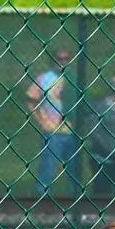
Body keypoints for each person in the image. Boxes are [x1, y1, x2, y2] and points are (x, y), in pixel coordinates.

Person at [25, 48, 79, 195]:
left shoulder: (74, 78)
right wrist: (39, 121)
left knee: (74, 167)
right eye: (59, 59)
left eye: (66, 59)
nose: (62, 62)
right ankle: (41, 195)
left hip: (71, 130)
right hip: (50, 129)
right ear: (53, 61)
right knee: (47, 166)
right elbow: (30, 100)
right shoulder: (44, 79)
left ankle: (75, 195)